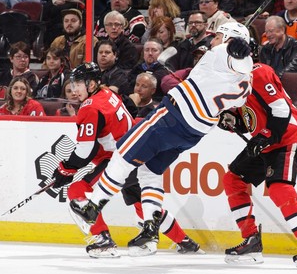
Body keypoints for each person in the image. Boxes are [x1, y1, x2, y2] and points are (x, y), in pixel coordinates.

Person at [68, 22, 253, 254]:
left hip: (174, 116)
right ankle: (149, 231)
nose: (212, 40)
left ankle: (94, 205)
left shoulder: (225, 52)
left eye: (216, 36)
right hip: (195, 131)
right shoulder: (245, 81)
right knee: (149, 173)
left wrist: (237, 49)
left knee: (124, 152)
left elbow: (236, 57)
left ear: (228, 38)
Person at [219, 63, 297, 269]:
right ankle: (251, 240)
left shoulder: (258, 72)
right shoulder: (232, 80)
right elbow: (249, 117)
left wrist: (265, 137)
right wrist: (233, 121)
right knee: (232, 179)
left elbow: (280, 109)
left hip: (286, 136)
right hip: (265, 142)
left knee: (279, 188)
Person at [51, 62, 135, 258]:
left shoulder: (90, 106)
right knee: (144, 202)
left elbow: (87, 149)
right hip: (135, 154)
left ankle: (103, 240)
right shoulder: (108, 94)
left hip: (118, 160)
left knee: (76, 190)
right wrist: (69, 168)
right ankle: (185, 242)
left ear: (92, 84)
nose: (74, 89)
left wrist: (66, 168)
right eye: (73, 83)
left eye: (80, 83)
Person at [126, 38, 169, 102]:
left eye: (154, 50)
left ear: (161, 54)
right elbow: (127, 84)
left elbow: (149, 82)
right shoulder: (137, 67)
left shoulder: (163, 69)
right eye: (147, 50)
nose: (150, 53)